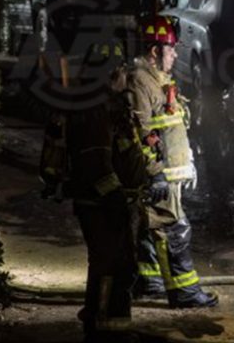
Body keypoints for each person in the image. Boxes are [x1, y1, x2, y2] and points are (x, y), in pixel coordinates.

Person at [39, 39, 153, 341]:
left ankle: (110, 327)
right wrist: (115, 197)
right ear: (108, 73)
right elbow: (95, 162)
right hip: (101, 204)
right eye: (120, 72)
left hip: (109, 202)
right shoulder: (94, 109)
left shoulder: (105, 104)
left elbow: (121, 149)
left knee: (117, 265)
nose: (125, 78)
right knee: (110, 266)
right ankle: (102, 330)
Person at [127, 16, 218, 308]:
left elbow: (167, 126)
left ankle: (149, 281)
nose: (176, 54)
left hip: (167, 174)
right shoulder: (140, 82)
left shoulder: (157, 80)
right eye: (171, 49)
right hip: (158, 175)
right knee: (173, 229)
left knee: (148, 227)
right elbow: (139, 132)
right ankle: (184, 293)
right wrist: (156, 174)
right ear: (155, 52)